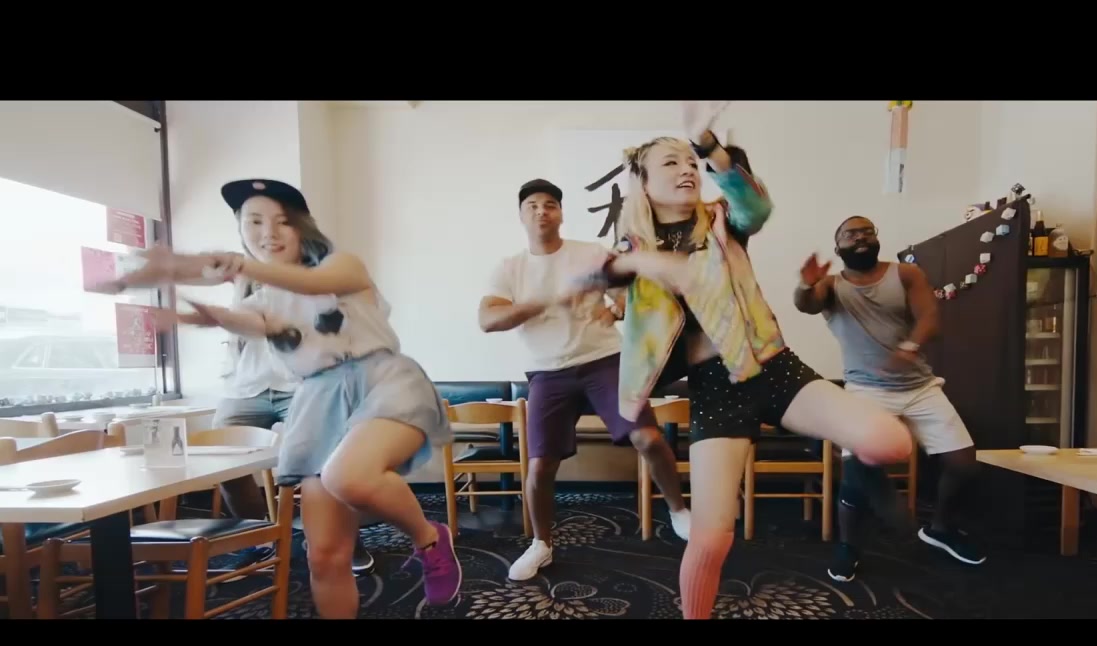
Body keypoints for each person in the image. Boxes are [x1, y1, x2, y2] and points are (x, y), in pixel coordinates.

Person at [575, 102, 913, 619]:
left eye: (690, 161)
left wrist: (708, 144)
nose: (687, 169)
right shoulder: (632, 244)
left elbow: (755, 208)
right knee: (711, 539)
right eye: (671, 163)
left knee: (891, 441)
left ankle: (865, 479)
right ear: (642, 182)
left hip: (774, 367)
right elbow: (599, 272)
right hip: (715, 389)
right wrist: (644, 263)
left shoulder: (722, 221)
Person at [107, 179, 461, 619]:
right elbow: (250, 321)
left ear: (302, 228)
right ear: (241, 230)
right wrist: (185, 308)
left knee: (349, 476)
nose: (268, 233)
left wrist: (236, 266)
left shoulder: (341, 264)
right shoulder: (261, 299)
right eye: (254, 222)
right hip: (317, 401)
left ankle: (429, 539)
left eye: (282, 222)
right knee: (324, 556)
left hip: (382, 380)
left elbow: (314, 284)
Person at [479, 179, 691, 581]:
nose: (541, 211)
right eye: (532, 205)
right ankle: (541, 544)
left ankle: (680, 511)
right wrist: (547, 300)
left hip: (603, 361)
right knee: (539, 467)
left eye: (550, 204)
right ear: (521, 215)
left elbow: (633, 290)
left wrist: (617, 309)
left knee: (648, 438)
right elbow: (488, 319)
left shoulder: (590, 254)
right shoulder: (509, 268)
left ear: (561, 213)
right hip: (547, 372)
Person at [793, 215, 987, 581]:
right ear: (838, 247)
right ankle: (848, 547)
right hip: (866, 390)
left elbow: (929, 317)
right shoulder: (832, 286)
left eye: (867, 231)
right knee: (856, 473)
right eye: (851, 234)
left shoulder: (906, 274)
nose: (860, 237)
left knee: (964, 464)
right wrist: (806, 284)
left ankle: (940, 528)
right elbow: (807, 304)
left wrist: (909, 348)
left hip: (920, 386)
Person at [210, 215, 374, 578]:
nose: (268, 234)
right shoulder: (245, 275)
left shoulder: (317, 274)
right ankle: (259, 539)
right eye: (254, 223)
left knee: (328, 461)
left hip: (303, 383)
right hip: (247, 386)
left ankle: (346, 539)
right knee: (220, 455)